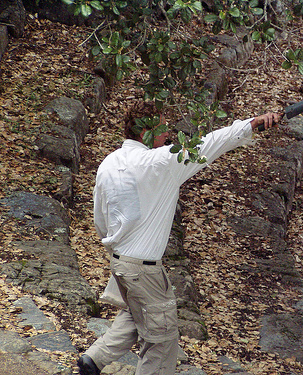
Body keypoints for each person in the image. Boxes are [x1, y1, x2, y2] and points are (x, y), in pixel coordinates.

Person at [77, 104, 281, 375]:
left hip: (121, 264)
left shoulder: (109, 163)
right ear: (147, 132)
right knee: (162, 341)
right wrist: (251, 125)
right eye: (162, 127)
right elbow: (209, 144)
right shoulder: (162, 162)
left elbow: (100, 219)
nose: (168, 133)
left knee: (137, 314)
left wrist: (117, 249)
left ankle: (93, 360)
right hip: (142, 268)